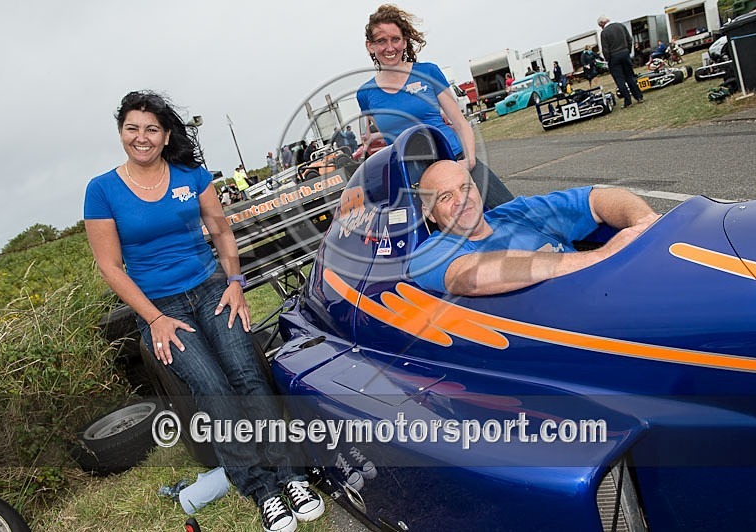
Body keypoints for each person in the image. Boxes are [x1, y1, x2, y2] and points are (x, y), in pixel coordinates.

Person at [83, 90, 324, 532]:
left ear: (166, 133)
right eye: (132, 128)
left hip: (212, 289)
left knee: (247, 375)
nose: (142, 137)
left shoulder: (190, 175)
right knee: (212, 388)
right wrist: (153, 318)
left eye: (151, 129)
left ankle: (291, 476)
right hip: (161, 310)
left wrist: (235, 283)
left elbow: (221, 230)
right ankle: (262, 490)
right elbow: (109, 266)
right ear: (121, 133)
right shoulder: (101, 191)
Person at [408, 160, 659, 295]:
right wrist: (603, 256)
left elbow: (598, 198)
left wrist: (645, 221)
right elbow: (471, 277)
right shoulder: (430, 253)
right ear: (429, 213)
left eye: (465, 188)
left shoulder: (517, 211)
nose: (461, 200)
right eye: (445, 197)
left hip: (614, 290)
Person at [357, 4, 513, 209]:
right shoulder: (365, 94)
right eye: (381, 41)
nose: (390, 47)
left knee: (512, 216)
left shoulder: (428, 72)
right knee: (448, 239)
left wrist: (470, 160)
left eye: (395, 39)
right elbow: (393, 134)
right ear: (370, 46)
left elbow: (459, 122)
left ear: (404, 41)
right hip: (417, 181)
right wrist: (371, 140)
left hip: (455, 162)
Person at [598, 15, 644, 108]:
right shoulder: (621, 26)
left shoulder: (604, 33)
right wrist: (628, 51)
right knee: (630, 76)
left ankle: (628, 101)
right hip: (625, 53)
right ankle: (639, 97)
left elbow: (605, 49)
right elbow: (629, 40)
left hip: (614, 57)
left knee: (620, 80)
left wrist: (608, 60)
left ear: (602, 23)